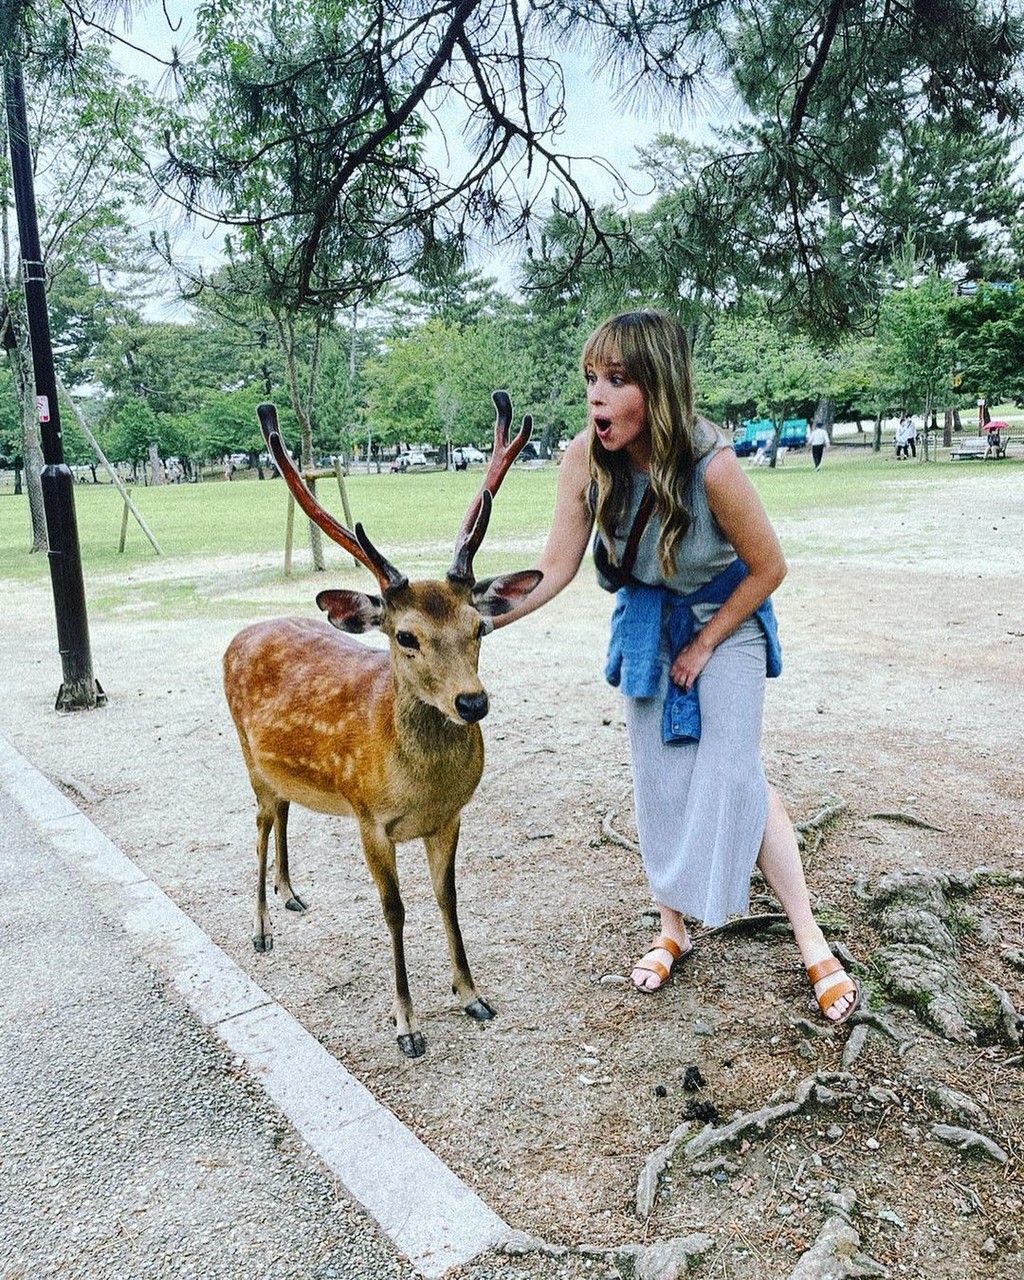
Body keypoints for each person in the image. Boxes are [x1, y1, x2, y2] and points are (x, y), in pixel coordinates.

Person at [493, 309, 859, 1023]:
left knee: (732, 771)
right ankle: (673, 930)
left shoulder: (712, 464)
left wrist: (704, 643)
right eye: (591, 379)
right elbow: (555, 567)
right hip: (647, 621)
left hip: (729, 617)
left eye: (618, 380)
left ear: (657, 387)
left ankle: (810, 937)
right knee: (658, 780)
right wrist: (474, 624)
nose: (597, 396)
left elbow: (769, 566)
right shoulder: (585, 460)